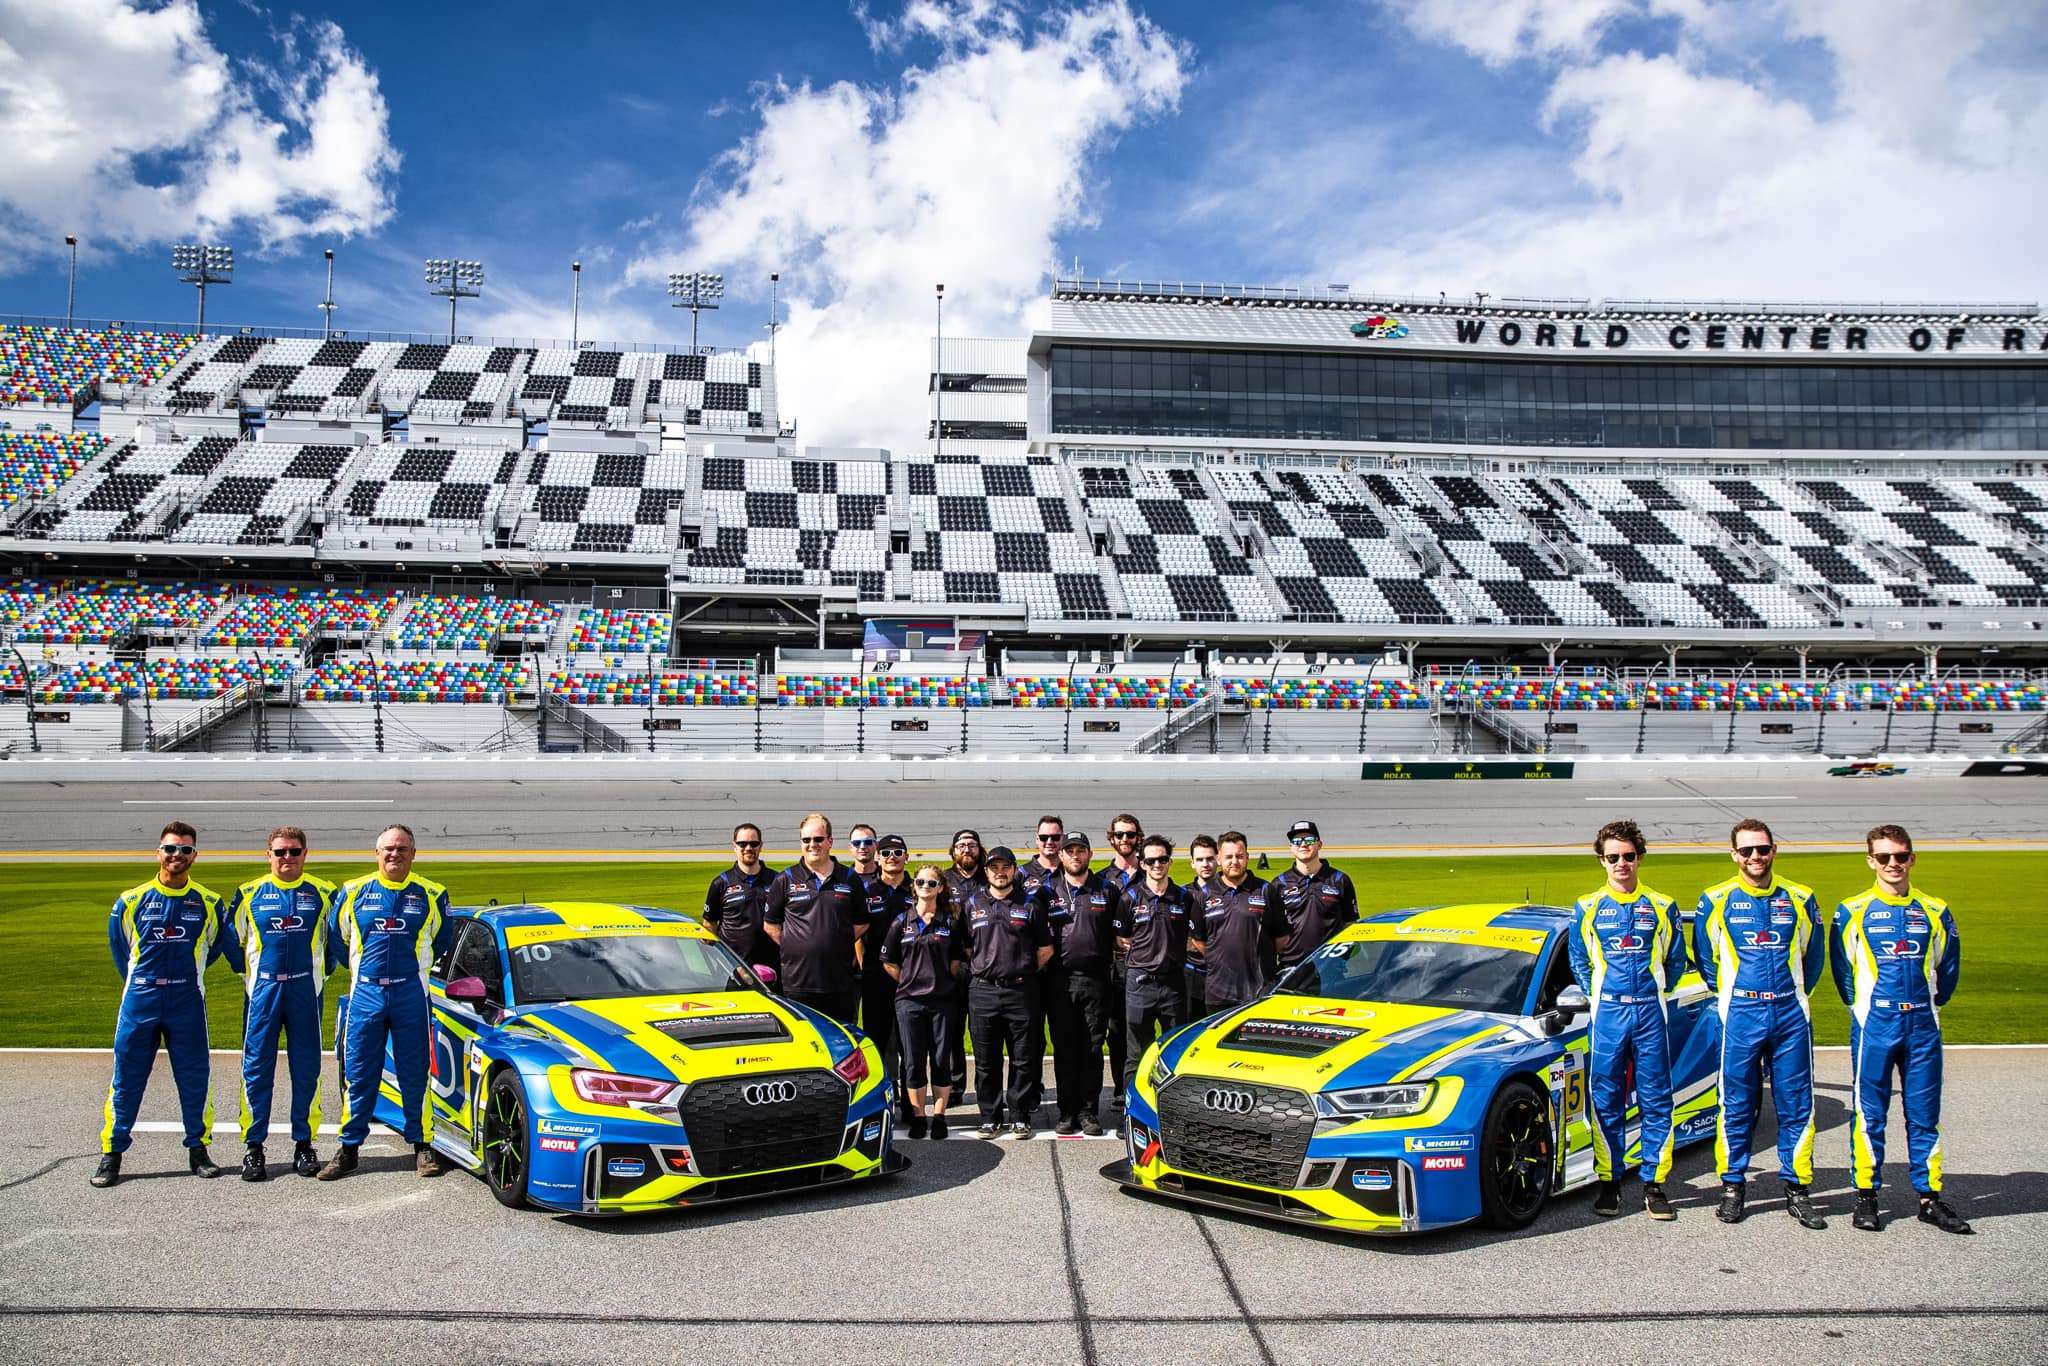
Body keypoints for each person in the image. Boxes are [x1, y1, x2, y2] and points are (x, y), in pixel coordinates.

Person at [1832, 824, 1970, 1235]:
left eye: (1901, 856)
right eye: (1885, 857)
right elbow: (1843, 972)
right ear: (1870, 860)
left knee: (1924, 1116)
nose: (1894, 864)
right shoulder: (1851, 909)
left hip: (1923, 1026)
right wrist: (1866, 1009)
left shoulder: (1935, 909)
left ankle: (1929, 1198)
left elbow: (1948, 969)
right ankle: (1866, 1197)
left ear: (1912, 858)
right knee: (1869, 1114)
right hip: (1875, 1024)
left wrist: (1927, 1005)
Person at [1692, 818, 1827, 1229]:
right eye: (1747, 850)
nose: (1755, 857)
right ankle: (1733, 1186)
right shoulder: (1715, 899)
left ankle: (1798, 1188)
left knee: (1797, 1105)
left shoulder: (1801, 897)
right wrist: (1735, 995)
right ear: (1734, 854)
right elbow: (1705, 959)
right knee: (1735, 1104)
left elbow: (1815, 958)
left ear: (1774, 851)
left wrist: (1790, 994)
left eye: (1763, 849)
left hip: (1789, 1014)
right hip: (1741, 1015)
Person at [93, 822, 236, 1188]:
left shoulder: (208, 902)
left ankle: (198, 1150)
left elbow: (215, 947)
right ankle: (112, 1154)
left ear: (195, 856)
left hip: (186, 1000)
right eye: (171, 849)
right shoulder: (131, 900)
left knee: (194, 1079)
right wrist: (142, 980)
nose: (177, 856)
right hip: (141, 1000)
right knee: (126, 1080)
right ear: (159, 852)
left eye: (185, 850)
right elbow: (120, 950)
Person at [321, 824, 455, 1181]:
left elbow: (441, 941)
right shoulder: (353, 891)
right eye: (388, 849)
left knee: (416, 1073)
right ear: (376, 853)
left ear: (413, 854)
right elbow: (337, 939)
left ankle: (422, 1145)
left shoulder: (432, 893)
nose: (394, 854)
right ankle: (349, 1149)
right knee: (359, 1074)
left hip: (411, 994)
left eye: (402, 849)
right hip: (366, 994)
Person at [1568, 818, 1685, 1221]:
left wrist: (1652, 993)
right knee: (1606, 1100)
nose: (1621, 864)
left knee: (1656, 1098)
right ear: (1602, 861)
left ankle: (1655, 1185)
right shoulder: (1586, 906)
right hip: (1609, 1013)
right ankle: (1609, 1182)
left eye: (1629, 856)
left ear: (1640, 858)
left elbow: (1674, 960)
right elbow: (1579, 961)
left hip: (1650, 1010)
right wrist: (1599, 994)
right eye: (1613, 857)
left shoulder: (1662, 905)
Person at [226, 827, 338, 1182]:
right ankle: (253, 1147)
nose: (286, 858)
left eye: (293, 851)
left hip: (306, 992)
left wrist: (320, 975)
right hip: (263, 995)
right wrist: (252, 977)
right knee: (256, 1071)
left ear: (306, 853)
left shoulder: (324, 893)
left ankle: (304, 1144)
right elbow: (232, 942)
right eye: (279, 852)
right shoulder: (248, 893)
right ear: (267, 854)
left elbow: (335, 943)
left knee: (306, 1071)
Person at [961, 847, 1053, 1138]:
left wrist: (1020, 969)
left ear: (1014, 870)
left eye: (1005, 867)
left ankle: (1019, 1114)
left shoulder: (1031, 904)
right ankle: (989, 1115)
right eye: (993, 868)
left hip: (1022, 991)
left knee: (1023, 1058)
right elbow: (964, 948)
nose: (999, 873)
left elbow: (1046, 948)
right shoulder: (972, 903)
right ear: (986, 871)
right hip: (983, 991)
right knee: (986, 1060)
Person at [880, 863, 969, 1139]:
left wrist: (940, 981)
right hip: (909, 1002)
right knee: (913, 1062)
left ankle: (940, 1116)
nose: (925, 888)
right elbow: (888, 961)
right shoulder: (901, 922)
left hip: (942, 1001)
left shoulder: (949, 922)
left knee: (941, 1060)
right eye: (920, 882)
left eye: (932, 883)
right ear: (913, 886)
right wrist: (910, 981)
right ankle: (919, 1116)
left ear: (941, 888)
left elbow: (956, 960)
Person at [1042, 830, 1122, 1135]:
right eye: (1069, 851)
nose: (1075, 856)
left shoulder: (1106, 890)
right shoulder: (1046, 892)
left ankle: (1089, 1112)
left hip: (1097, 981)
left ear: (1089, 854)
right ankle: (1067, 1111)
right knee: (1064, 1048)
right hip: (1059, 982)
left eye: (1080, 851)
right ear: (1060, 856)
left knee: (1092, 1047)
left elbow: (1120, 934)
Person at [762, 812, 868, 1026]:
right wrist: (797, 944)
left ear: (830, 841)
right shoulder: (785, 879)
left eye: (818, 839)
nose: (812, 845)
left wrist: (836, 940)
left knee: (841, 1042)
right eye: (806, 840)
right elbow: (771, 925)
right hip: (798, 982)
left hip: (838, 982)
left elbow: (862, 922)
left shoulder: (849, 878)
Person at [1189, 831, 1290, 1016]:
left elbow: (1281, 940)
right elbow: (1200, 941)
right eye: (1228, 856)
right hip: (1218, 993)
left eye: (1239, 856)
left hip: (1259, 991)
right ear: (1219, 859)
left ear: (1247, 858)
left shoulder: (1266, 890)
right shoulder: (1203, 895)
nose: (1234, 861)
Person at [1115, 835, 1191, 1078]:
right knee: (1137, 1054)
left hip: (1174, 984)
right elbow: (1122, 938)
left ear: (1170, 861)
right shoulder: (1129, 898)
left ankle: (1172, 1111)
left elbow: (1193, 938)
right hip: (1140, 984)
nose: (1157, 865)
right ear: (1142, 863)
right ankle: (1134, 1110)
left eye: (1162, 859)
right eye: (1151, 861)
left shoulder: (1184, 897)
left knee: (1177, 1052)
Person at [857, 829, 912, 1114]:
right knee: (877, 1042)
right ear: (878, 857)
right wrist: (865, 968)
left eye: (898, 853)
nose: (892, 858)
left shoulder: (917, 889)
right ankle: (882, 1099)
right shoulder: (866, 891)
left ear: (906, 857)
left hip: (911, 979)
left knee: (908, 1043)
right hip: (876, 978)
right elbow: (857, 935)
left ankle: (910, 1101)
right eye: (887, 853)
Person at [939, 829, 986, 1108]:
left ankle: (986, 1088)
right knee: (953, 1030)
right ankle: (956, 1086)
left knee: (983, 1032)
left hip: (984, 966)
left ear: (980, 849)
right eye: (960, 845)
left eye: (971, 845)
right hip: (953, 966)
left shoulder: (990, 877)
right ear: (953, 850)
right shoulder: (944, 880)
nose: (966, 849)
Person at [1269, 820, 1358, 967]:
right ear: (1291, 847)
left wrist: (1342, 956)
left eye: (1309, 840)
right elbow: (1272, 929)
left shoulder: (1339, 880)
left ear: (1319, 844)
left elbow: (1351, 924)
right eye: (1297, 841)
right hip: (1292, 967)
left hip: (1331, 965)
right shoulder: (1279, 884)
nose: (1303, 844)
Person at [1101, 814, 1145, 1107]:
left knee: (1142, 1029)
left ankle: (1143, 1085)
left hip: (1146, 964)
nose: (1125, 840)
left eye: (1130, 834)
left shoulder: (1153, 871)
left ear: (1139, 837)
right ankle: (1120, 1087)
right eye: (1120, 835)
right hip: (1115, 964)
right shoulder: (1103, 879)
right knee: (1116, 1030)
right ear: (1112, 839)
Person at [702, 823, 777, 972]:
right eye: (742, 844)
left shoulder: (777, 880)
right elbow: (709, 927)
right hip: (732, 969)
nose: (748, 848)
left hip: (772, 967)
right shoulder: (721, 883)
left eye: (753, 843)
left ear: (761, 846)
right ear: (734, 846)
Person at [1183, 834, 1218, 1020]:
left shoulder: (1229, 892)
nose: (1205, 864)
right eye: (1200, 859)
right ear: (1192, 863)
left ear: (1218, 860)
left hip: (1223, 974)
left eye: (1210, 859)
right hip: (1192, 973)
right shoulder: (1182, 895)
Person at [1021, 814, 1064, 898]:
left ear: (1062, 838)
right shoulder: (1021, 874)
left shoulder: (1072, 871)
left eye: (1055, 837)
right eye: (1043, 837)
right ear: (1037, 839)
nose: (1049, 842)